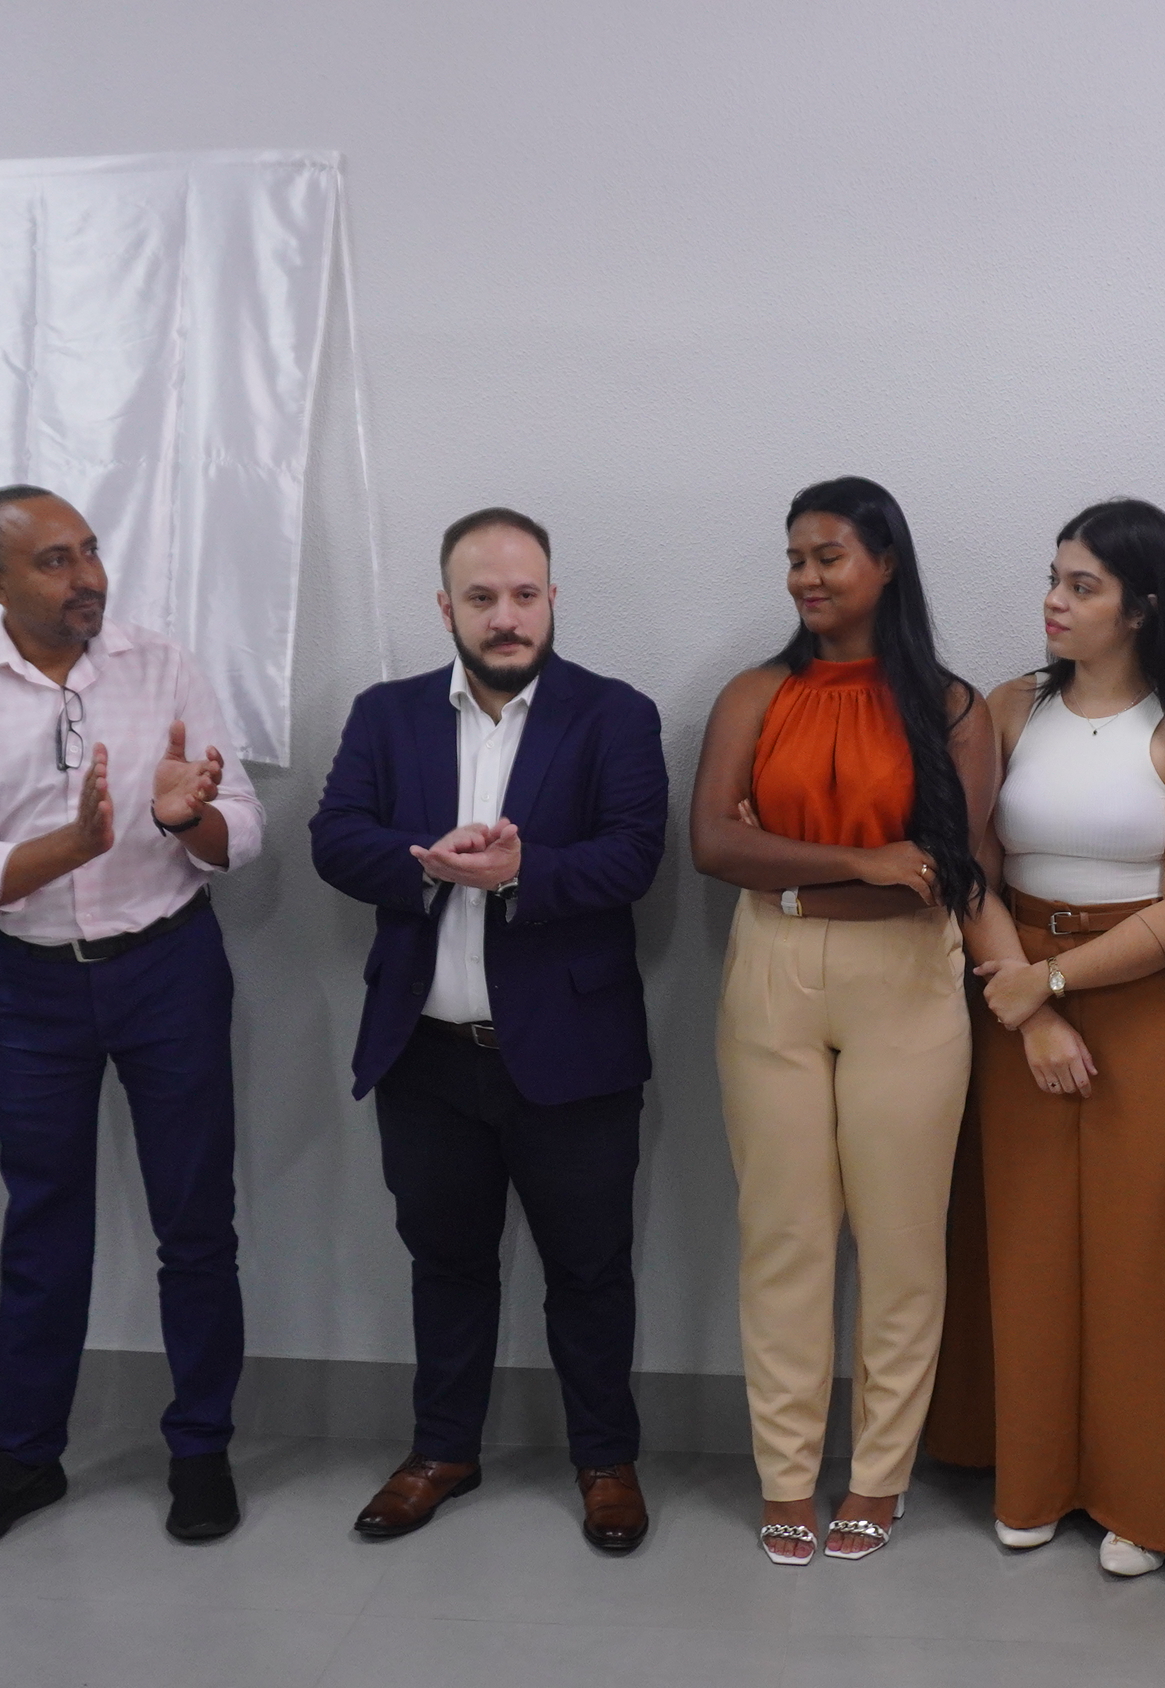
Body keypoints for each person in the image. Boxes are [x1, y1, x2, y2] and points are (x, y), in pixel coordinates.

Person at [923, 498, 1165, 1576]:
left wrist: (1052, 981)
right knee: (1026, 1239)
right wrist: (1030, 1007)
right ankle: (1032, 1472)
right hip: (1012, 990)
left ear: (1142, 607)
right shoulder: (1008, 706)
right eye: (1053, 577)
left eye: (1082, 585)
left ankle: (1149, 1491)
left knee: (1151, 1252)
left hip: (1152, 999)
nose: (1054, 600)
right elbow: (968, 864)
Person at [0, 485, 265, 1548]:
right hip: (32, 988)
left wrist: (187, 818)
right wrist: (66, 848)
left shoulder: (162, 665)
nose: (87, 578)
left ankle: (199, 1450)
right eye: (54, 561)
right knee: (43, 1225)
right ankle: (25, 1456)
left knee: (195, 1222)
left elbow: (243, 828)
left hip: (168, 967)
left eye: (90, 551)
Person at [311, 507, 669, 1552]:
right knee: (445, 1262)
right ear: (446, 608)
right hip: (425, 1053)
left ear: (553, 599)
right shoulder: (386, 715)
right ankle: (442, 1450)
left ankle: (605, 1459)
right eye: (482, 597)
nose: (505, 616)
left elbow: (634, 854)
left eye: (524, 594)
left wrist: (523, 872)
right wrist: (426, 862)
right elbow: (335, 837)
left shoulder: (614, 715)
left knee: (589, 1270)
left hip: (572, 1057)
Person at [691, 476, 998, 1566]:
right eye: (795, 559)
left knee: (902, 1241)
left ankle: (878, 1475)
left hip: (907, 982)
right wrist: (863, 860)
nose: (806, 578)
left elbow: (947, 871)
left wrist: (787, 851)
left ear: (886, 562)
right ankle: (785, 1476)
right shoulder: (753, 693)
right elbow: (712, 845)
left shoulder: (953, 708)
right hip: (771, 970)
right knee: (784, 1235)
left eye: (828, 556)